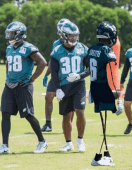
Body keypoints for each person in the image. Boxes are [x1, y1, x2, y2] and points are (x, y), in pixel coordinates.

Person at [0, 21, 48, 154]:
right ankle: (4, 145)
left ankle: (42, 142)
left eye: (11, 33)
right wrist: (8, 77)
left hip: (23, 85)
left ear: (19, 34)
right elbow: (9, 64)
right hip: (9, 85)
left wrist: (31, 79)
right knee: (5, 113)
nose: (9, 35)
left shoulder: (28, 48)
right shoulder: (9, 48)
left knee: (28, 115)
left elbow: (42, 62)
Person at [50, 21, 89, 152]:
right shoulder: (57, 51)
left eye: (75, 35)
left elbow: (90, 68)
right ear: (64, 35)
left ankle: (80, 140)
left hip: (79, 85)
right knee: (66, 115)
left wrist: (80, 75)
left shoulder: (83, 48)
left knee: (80, 110)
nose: (73, 38)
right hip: (64, 86)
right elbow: (54, 73)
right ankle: (68, 143)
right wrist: (57, 89)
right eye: (70, 36)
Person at [88, 21, 123, 166]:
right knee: (106, 123)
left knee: (104, 122)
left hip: (94, 87)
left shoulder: (91, 49)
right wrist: (119, 99)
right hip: (105, 88)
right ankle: (98, 157)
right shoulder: (107, 51)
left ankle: (106, 154)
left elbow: (88, 69)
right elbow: (112, 75)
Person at [41, 18, 71, 132]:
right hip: (56, 76)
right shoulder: (56, 44)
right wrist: (46, 74)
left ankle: (68, 125)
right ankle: (48, 124)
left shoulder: (74, 42)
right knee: (48, 97)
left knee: (68, 102)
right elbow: (52, 62)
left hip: (68, 77)